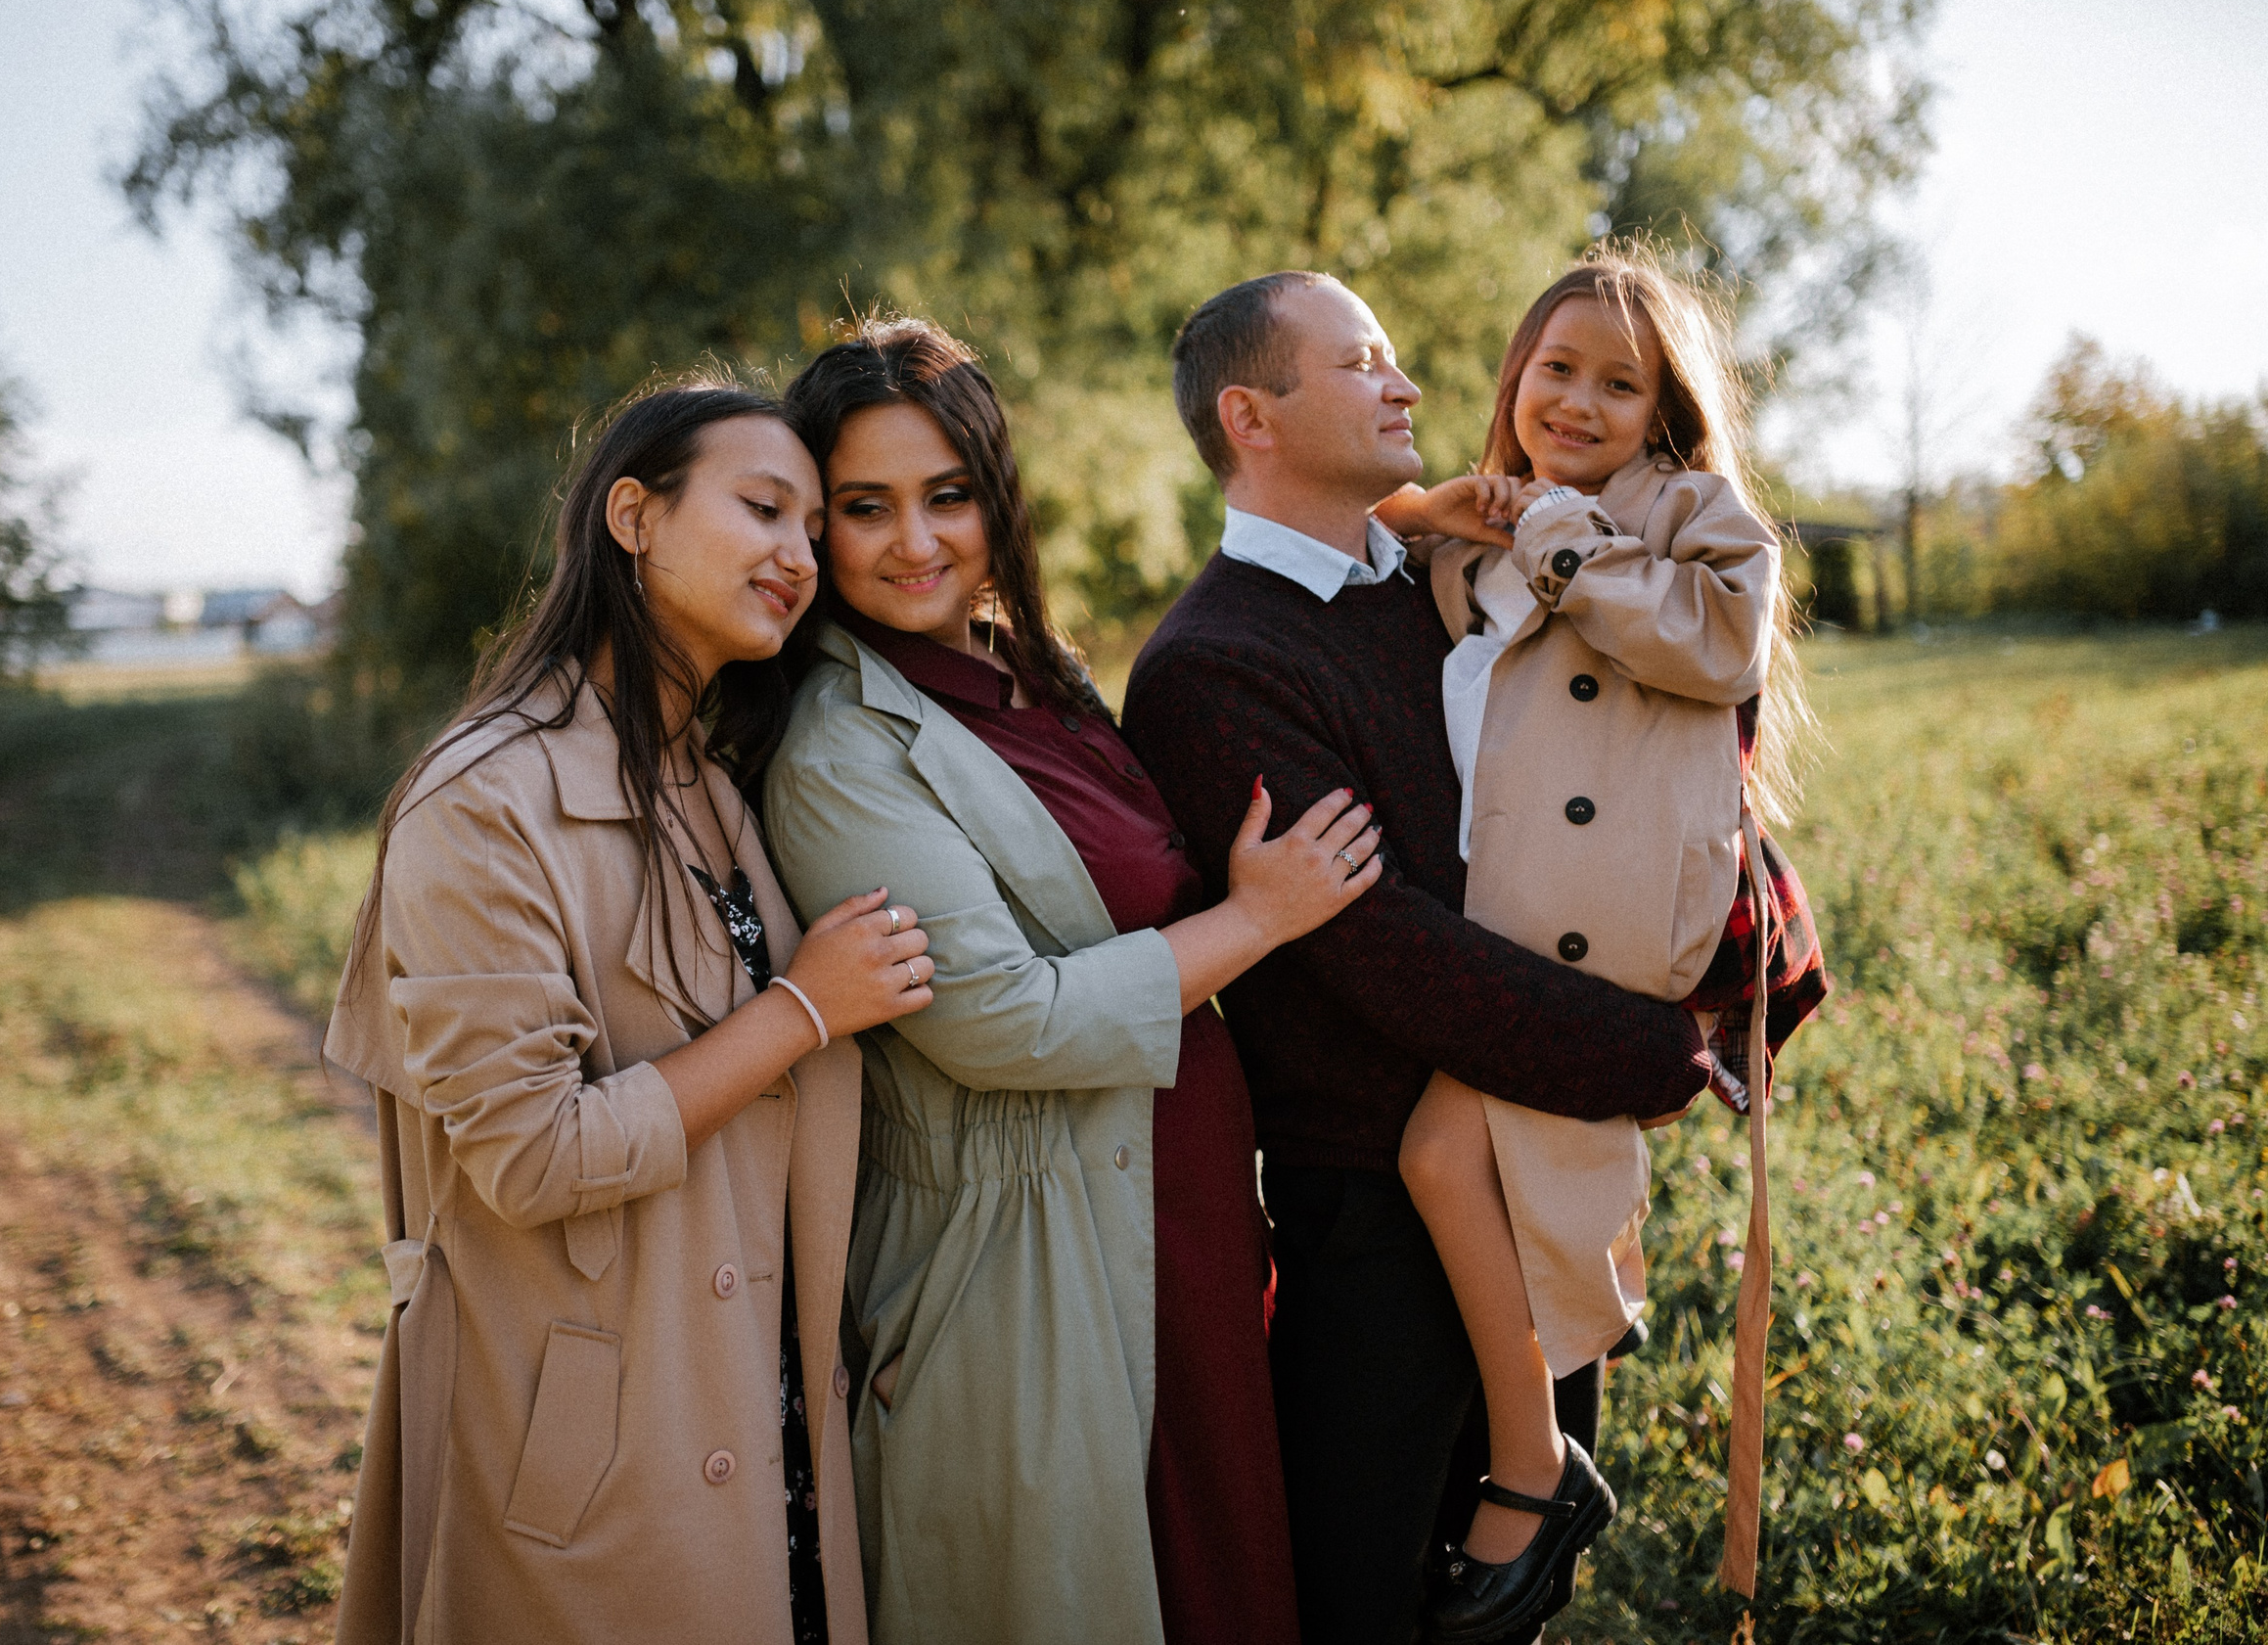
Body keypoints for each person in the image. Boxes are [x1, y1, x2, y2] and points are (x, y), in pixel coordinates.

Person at [1120, 271, 1725, 1645]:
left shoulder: (1444, 589)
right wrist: (1643, 1046)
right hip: (1374, 1223)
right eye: (1362, 362)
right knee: (1366, 1607)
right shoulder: (1213, 666)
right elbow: (1385, 950)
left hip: (1530, 1157)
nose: (1406, 384)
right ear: (1249, 415)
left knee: (1509, 1608)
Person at [761, 317, 1378, 1645]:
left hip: (1181, 1218)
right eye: (865, 508)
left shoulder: (1028, 670)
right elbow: (998, 1020)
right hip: (1029, 1263)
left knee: (1222, 1586)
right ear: (815, 527)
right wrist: (1263, 918)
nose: (916, 541)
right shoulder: (836, 753)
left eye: (948, 496)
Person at [324, 382, 935, 1645]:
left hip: (761, 1412)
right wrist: (803, 1010)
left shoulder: (705, 781)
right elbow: (532, 1153)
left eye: (816, 528)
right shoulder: (485, 799)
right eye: (764, 507)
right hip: (600, 1450)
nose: (799, 555)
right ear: (633, 517)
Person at [1372, 248, 1831, 1640]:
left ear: (1663, 409)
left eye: (1617, 383)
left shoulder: (1691, 512)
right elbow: (1399, 581)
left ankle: (1536, 1468)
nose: (1576, 400)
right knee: (1470, 1168)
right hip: (1510, 911)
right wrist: (1443, 512)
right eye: (1554, 368)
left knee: (1448, 1154)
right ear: (1513, 376)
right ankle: (1532, 1456)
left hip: (1601, 917)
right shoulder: (1492, 518)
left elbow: (1721, 643)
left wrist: (1560, 540)